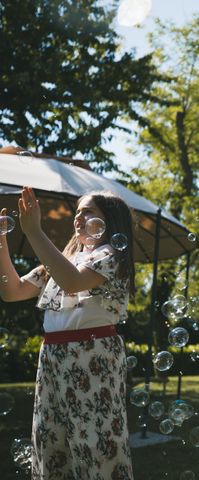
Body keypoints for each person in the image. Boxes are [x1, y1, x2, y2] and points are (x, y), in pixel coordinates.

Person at [0, 186, 135, 479]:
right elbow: (11, 290)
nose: (78, 217)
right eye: (77, 212)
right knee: (51, 439)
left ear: (109, 220)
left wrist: (34, 231)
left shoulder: (110, 255)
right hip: (52, 356)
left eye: (88, 211)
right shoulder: (64, 259)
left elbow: (73, 282)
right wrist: (1, 242)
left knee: (95, 441)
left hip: (93, 354)